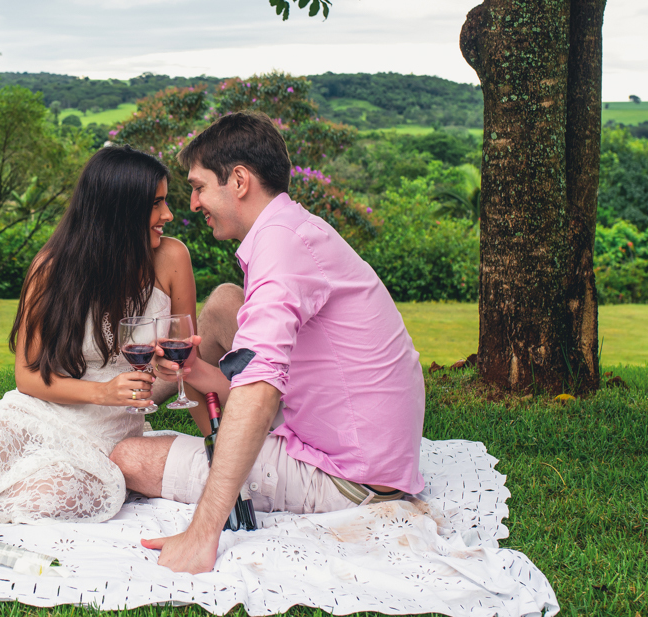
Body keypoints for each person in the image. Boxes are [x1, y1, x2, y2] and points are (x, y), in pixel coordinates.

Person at [109, 111, 426, 573]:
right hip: (366, 443)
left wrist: (203, 533)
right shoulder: (291, 228)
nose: (192, 203)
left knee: (127, 456)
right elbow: (257, 371)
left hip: (349, 475)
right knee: (224, 302)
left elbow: (258, 391)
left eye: (198, 187)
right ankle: (153, 404)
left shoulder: (280, 247)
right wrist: (194, 370)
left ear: (238, 180)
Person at [0, 145, 198, 523]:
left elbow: (181, 357)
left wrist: (170, 373)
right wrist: (103, 392)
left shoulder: (174, 259)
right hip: (40, 409)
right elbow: (27, 377)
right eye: (156, 204)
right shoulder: (51, 269)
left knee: (47, 500)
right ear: (120, 209)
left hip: (106, 433)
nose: (168, 215)